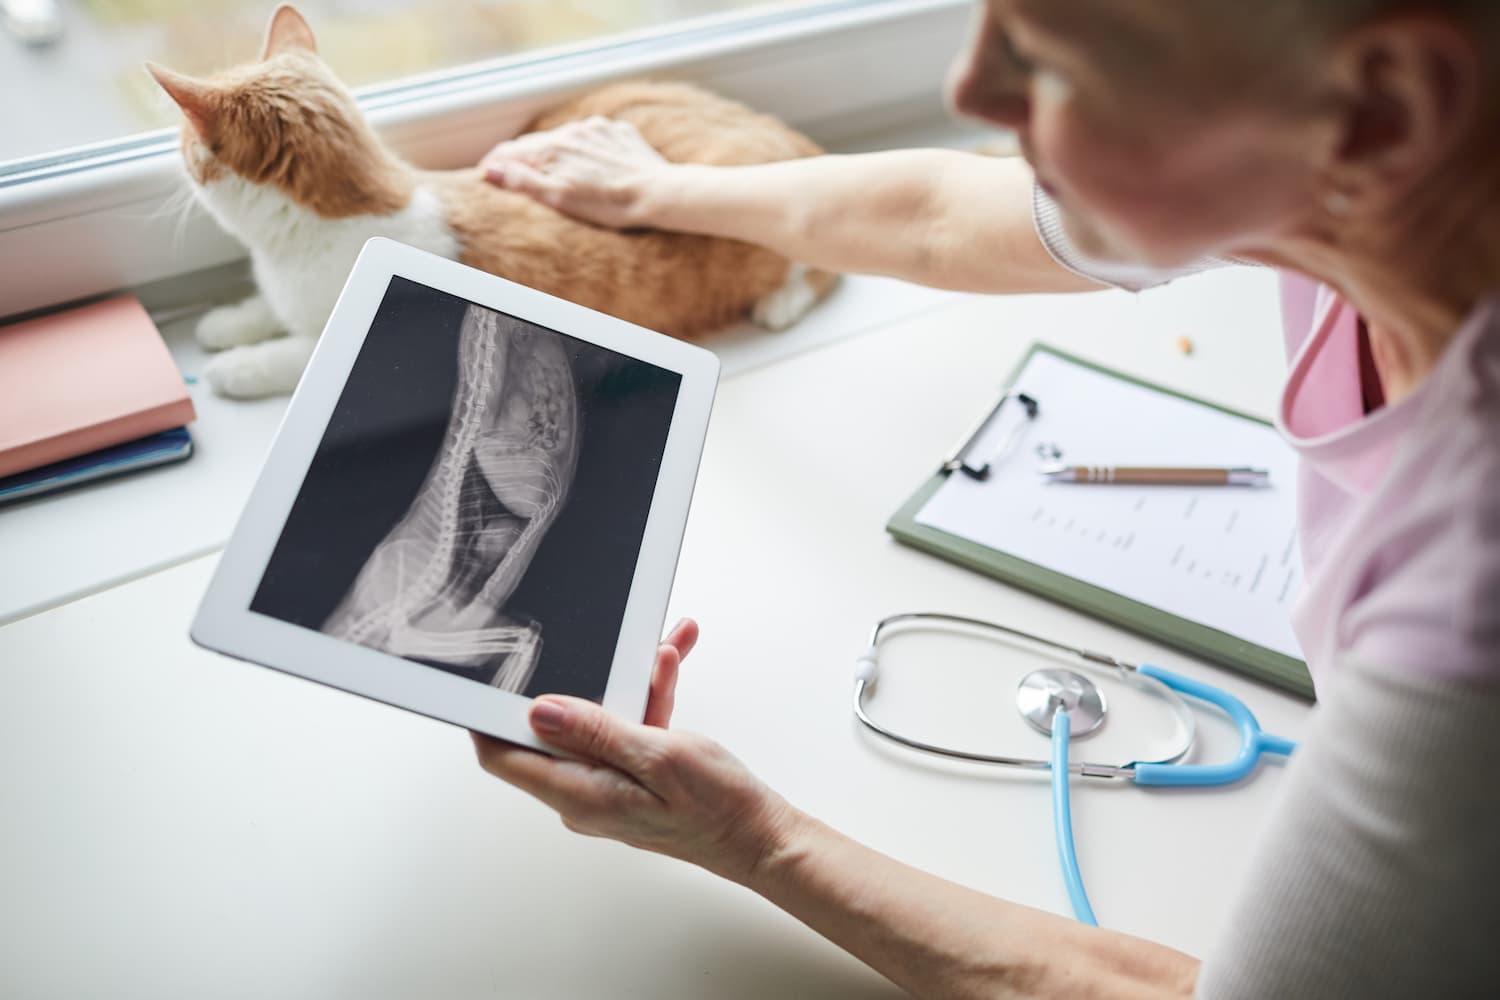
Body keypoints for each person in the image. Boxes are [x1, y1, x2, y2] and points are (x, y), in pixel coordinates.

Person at [470, 2, 1500, 996]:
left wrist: (752, 838)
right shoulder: (1381, 186)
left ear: (1389, 102)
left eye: (1053, 53)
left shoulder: (1466, 595)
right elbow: (943, 212)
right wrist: (659, 190)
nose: (972, 88)